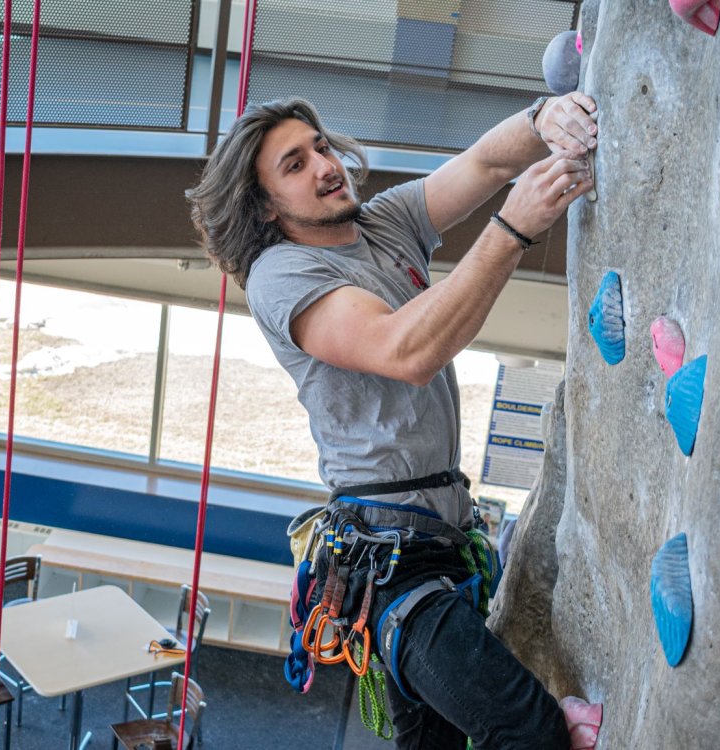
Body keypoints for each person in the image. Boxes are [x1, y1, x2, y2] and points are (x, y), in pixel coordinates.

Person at [186, 94, 601, 750]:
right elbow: (403, 350)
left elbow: (486, 162)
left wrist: (542, 119)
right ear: (265, 204)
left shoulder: (382, 222)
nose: (325, 166)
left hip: (441, 538)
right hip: (391, 564)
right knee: (529, 729)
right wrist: (513, 229)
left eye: (321, 146)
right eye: (294, 164)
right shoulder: (281, 274)